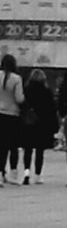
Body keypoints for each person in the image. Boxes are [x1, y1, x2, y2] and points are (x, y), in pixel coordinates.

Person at [16, 66, 58, 184]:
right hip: (42, 124)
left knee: (27, 150)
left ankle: (26, 173)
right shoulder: (46, 92)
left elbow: (21, 105)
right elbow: (52, 109)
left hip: (28, 123)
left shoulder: (26, 90)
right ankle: (38, 175)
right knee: (40, 150)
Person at [0, 52, 24, 185]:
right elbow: (19, 98)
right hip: (13, 114)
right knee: (13, 145)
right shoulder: (17, 79)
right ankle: (13, 173)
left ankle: (0, 172)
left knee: (1, 145)